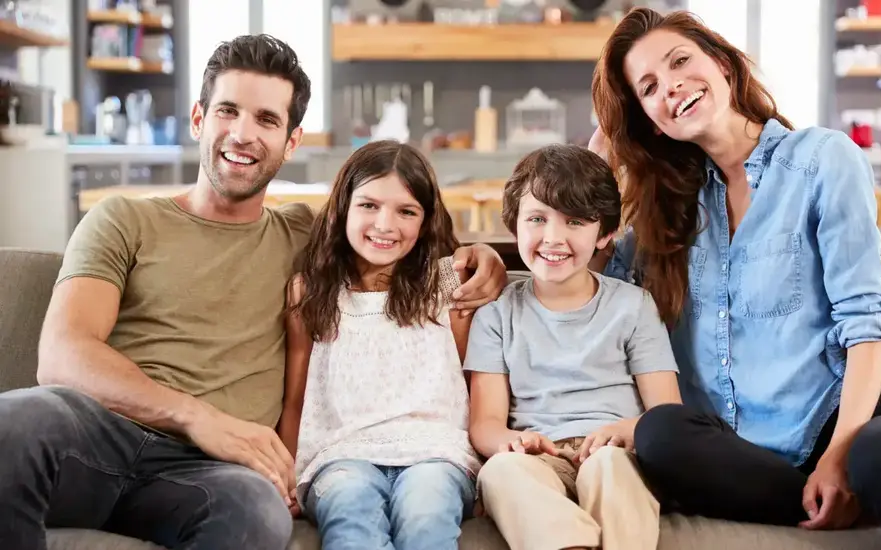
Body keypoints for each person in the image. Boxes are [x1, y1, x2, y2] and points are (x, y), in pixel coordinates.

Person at [0, 35, 507, 550]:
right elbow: (62, 355)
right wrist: (198, 417)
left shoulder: (305, 237)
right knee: (14, 420)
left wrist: (480, 255)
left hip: (211, 473)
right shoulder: (123, 219)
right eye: (227, 111)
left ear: (291, 142)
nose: (242, 134)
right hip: (100, 438)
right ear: (199, 119)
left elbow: (392, 235)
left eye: (266, 120)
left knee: (258, 517)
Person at [589, 8, 881, 550]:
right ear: (651, 121)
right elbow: (592, 285)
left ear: (724, 66)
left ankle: (852, 481)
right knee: (660, 432)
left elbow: (866, 325)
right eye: (650, 87)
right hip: (740, 458)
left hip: (849, 421)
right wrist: (597, 158)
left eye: (681, 61)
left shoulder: (822, 159)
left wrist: (839, 456)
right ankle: (824, 499)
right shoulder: (665, 216)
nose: (673, 86)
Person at [464, 144, 681, 550]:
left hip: (617, 453)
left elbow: (666, 414)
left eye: (575, 221)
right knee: (499, 472)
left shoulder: (633, 306)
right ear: (515, 225)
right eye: (537, 219)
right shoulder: (496, 316)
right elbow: (485, 424)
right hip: (538, 458)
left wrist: (624, 430)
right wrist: (510, 442)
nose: (553, 238)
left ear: (606, 234)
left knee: (609, 470)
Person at [277, 140, 480, 550]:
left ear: (425, 222)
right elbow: (295, 399)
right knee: (351, 520)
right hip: (339, 459)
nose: (385, 225)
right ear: (342, 209)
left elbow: (472, 385)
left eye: (406, 211)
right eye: (369, 205)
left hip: (436, 455)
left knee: (426, 517)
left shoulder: (447, 285)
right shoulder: (310, 291)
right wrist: (284, 475)